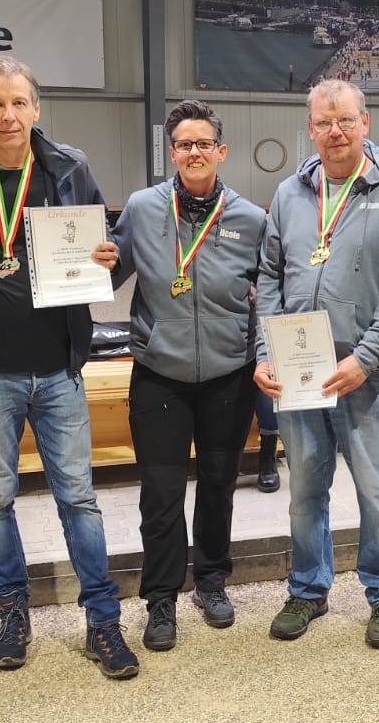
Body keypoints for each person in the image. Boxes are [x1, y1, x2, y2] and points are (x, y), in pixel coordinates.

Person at [0, 54, 136, 679]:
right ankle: (12, 613)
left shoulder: (68, 167)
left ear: (36, 108)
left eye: (19, 102)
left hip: (58, 366)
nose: (9, 115)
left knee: (79, 498)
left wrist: (107, 256)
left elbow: (105, 246)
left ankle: (102, 619)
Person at [254, 79, 379, 649]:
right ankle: (307, 588)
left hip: (364, 375)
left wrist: (365, 360)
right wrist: (265, 353)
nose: (335, 132)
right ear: (310, 128)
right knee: (305, 490)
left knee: (377, 490)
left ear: (365, 123)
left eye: (346, 121)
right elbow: (269, 278)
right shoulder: (289, 195)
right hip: (299, 374)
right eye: (324, 123)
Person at [107, 99, 265, 651]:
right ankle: (160, 598)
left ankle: (213, 580)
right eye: (183, 145)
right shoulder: (142, 208)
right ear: (170, 153)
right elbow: (108, 276)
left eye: (203, 144)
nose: (194, 152)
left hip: (229, 373)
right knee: (161, 491)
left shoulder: (251, 219)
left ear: (221, 151)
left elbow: (270, 293)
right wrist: (91, 259)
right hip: (160, 373)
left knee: (219, 484)